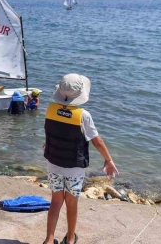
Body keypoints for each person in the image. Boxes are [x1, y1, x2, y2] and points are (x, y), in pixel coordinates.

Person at [42, 74, 119, 244]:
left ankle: (49, 239)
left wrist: (48, 143)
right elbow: (97, 141)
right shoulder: (83, 116)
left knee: (56, 201)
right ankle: (70, 239)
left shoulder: (50, 109)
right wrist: (108, 160)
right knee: (71, 202)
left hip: (53, 163)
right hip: (74, 168)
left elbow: (51, 131)